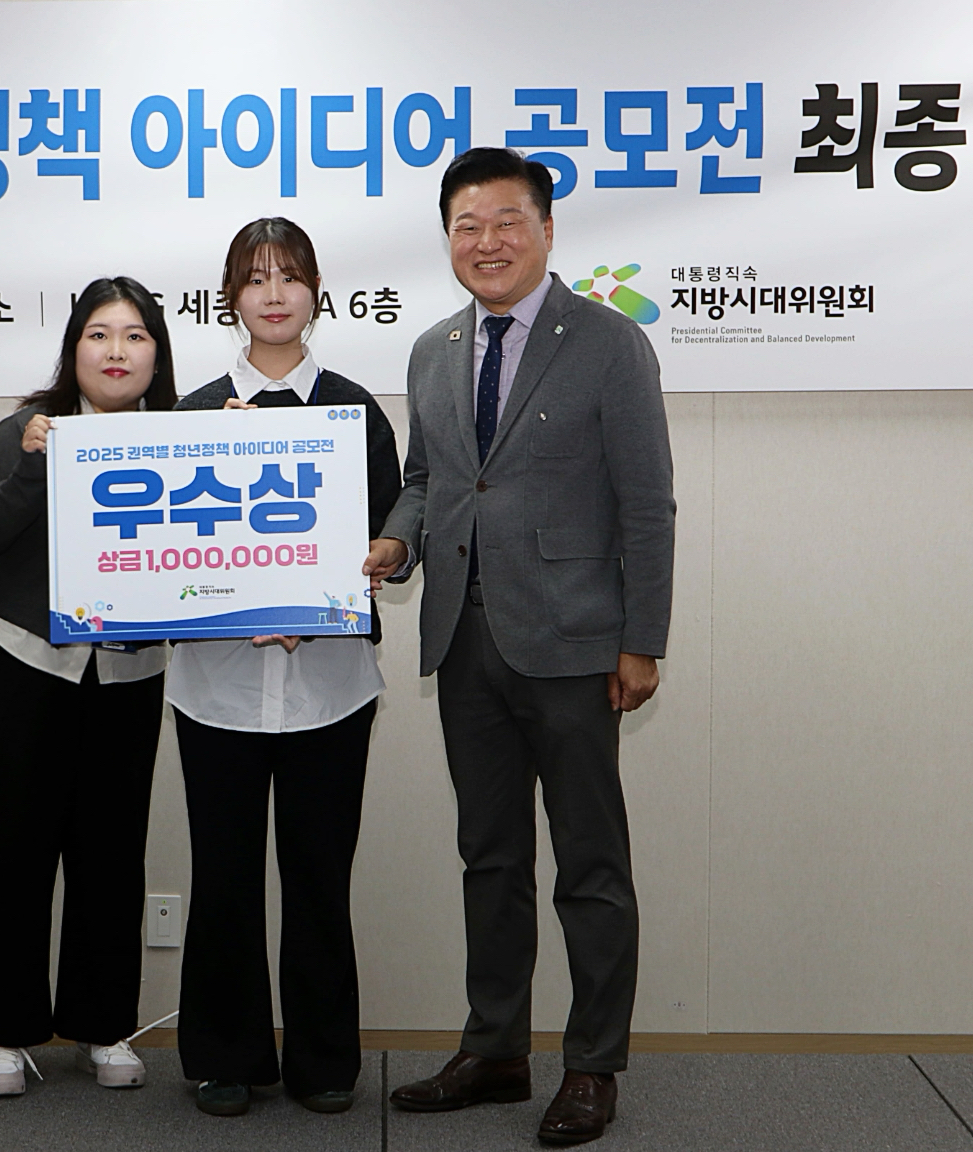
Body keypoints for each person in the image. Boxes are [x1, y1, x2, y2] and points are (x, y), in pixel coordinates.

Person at [366, 148, 674, 1147]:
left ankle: (592, 1065)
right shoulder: (432, 349)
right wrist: (398, 541)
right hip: (464, 640)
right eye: (467, 225)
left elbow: (647, 502)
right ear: (447, 239)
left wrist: (642, 639)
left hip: (577, 645)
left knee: (589, 863)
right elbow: (427, 479)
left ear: (546, 230)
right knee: (488, 857)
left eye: (506, 222)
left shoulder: (609, 342)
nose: (486, 241)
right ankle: (495, 1048)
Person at [170, 218, 401, 1118]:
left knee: (318, 877)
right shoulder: (192, 416)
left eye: (291, 277)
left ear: (316, 292)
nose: (274, 294)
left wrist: (332, 595)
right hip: (217, 690)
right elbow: (167, 557)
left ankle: (323, 1060)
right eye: (256, 278)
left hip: (329, 689)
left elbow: (388, 536)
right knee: (223, 879)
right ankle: (225, 1056)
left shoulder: (353, 410)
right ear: (230, 295)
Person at [0, 278, 179, 1097]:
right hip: (24, 663)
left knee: (111, 851)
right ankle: (4, 1033)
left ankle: (103, 1024)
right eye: (98, 334)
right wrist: (34, 468)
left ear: (157, 354)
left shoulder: (182, 438)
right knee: (11, 848)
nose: (117, 351)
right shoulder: (28, 428)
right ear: (73, 348)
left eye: (135, 335)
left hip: (127, 673)